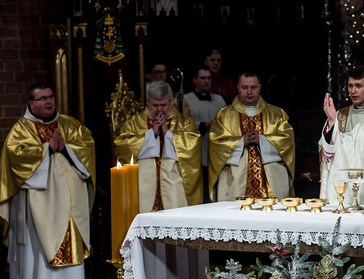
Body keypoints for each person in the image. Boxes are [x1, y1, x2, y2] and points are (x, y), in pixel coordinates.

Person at [0, 83, 95, 279]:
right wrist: (46, 150)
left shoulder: (70, 125)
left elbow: (87, 148)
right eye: (42, 99)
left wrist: (67, 149)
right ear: (31, 103)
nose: (48, 102)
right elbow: (16, 157)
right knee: (36, 254)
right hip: (36, 205)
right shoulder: (21, 129)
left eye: (51, 97)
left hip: (69, 205)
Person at [114, 81, 202, 212]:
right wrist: (151, 134)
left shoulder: (185, 123)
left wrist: (168, 134)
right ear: (148, 101)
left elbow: (192, 149)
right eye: (155, 105)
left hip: (175, 188)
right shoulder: (134, 123)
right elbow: (124, 146)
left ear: (171, 101)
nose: (159, 110)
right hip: (143, 188)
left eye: (163, 105)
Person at [208, 72, 295, 201]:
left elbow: (287, 142)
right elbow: (216, 144)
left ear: (260, 87)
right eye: (244, 87)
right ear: (237, 88)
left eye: (253, 87)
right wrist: (241, 142)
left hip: (270, 181)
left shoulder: (277, 114)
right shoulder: (224, 115)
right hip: (236, 181)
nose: (249, 92)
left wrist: (262, 140)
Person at [318, 65, 364, 198]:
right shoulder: (340, 115)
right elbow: (325, 151)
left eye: (358, 86)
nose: (353, 91)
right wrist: (331, 123)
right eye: (350, 86)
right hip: (345, 184)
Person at [183, 66, 226, 172]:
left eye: (209, 78)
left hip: (215, 150)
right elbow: (180, 123)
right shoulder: (185, 99)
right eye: (202, 78)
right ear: (194, 80)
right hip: (194, 150)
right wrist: (202, 125)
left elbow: (227, 121)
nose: (206, 81)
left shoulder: (219, 100)